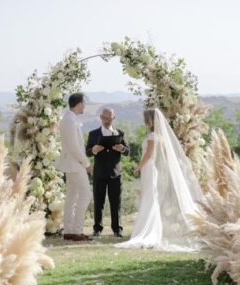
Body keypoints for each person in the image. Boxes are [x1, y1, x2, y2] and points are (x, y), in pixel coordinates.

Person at [117, 109, 203, 251]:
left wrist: (138, 166)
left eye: (146, 119)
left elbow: (149, 154)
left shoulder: (152, 136)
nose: (144, 121)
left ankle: (149, 230)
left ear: (150, 120)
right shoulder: (159, 136)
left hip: (149, 168)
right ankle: (150, 228)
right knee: (150, 197)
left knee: (149, 198)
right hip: (151, 169)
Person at [86, 106, 129, 237]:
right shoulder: (93, 134)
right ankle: (97, 229)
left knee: (116, 203)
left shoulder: (120, 133)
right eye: (105, 118)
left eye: (109, 118)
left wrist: (122, 149)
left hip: (116, 174)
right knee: (98, 202)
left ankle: (117, 229)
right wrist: (94, 150)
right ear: (101, 118)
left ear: (113, 118)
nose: (107, 121)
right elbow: (87, 151)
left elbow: (128, 151)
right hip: (99, 173)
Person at [55, 93, 92, 241]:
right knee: (86, 194)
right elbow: (73, 146)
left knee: (72, 196)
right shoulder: (69, 120)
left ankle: (69, 230)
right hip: (75, 164)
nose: (85, 106)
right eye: (84, 103)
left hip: (72, 163)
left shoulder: (70, 118)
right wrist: (86, 163)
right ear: (79, 104)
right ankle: (76, 230)